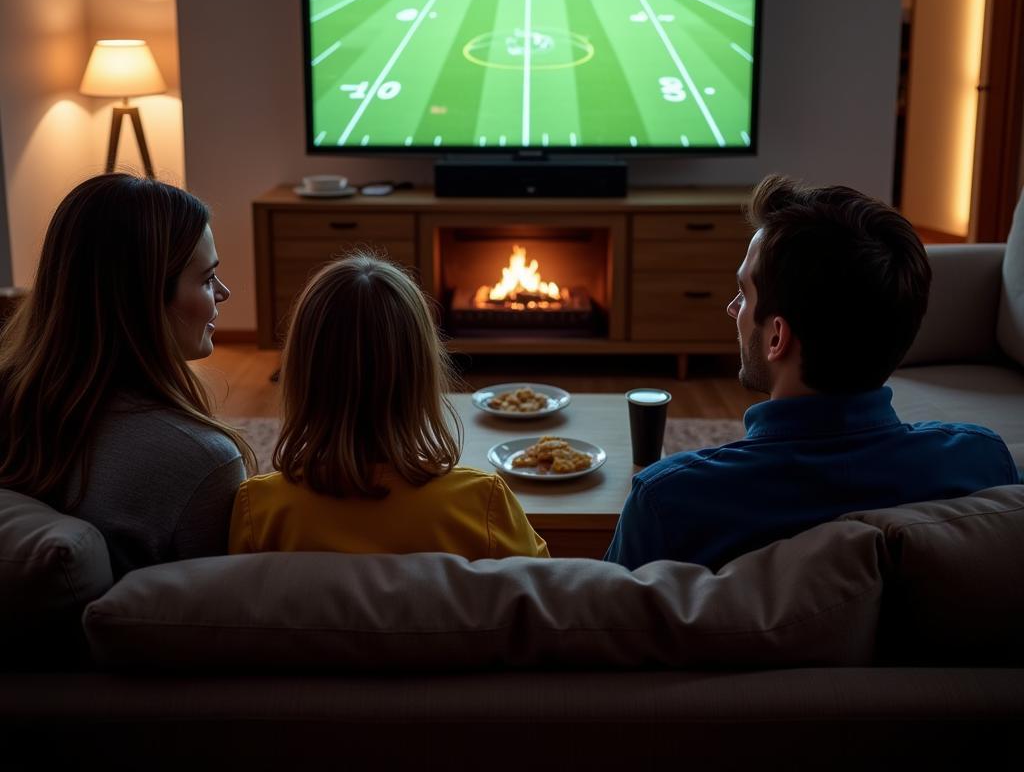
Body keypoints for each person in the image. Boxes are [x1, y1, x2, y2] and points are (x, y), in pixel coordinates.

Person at [605, 174, 1019, 571]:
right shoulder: (983, 463)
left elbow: (607, 628)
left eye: (745, 294)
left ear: (776, 338)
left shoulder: (668, 501)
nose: (733, 309)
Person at [0, 174, 254, 579]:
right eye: (207, 279)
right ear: (147, 300)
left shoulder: (12, 401)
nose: (223, 293)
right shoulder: (201, 459)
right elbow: (216, 615)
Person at [229, 253, 549, 560]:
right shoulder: (483, 503)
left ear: (299, 375)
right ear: (423, 374)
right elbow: (547, 594)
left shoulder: (259, 510)